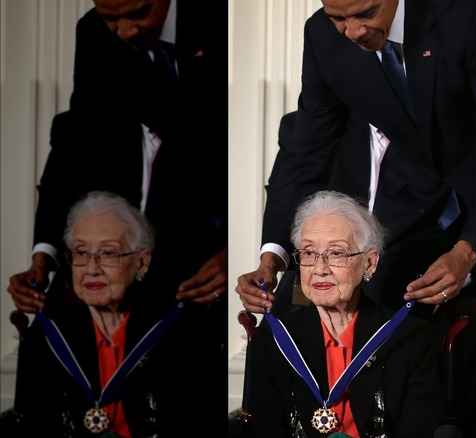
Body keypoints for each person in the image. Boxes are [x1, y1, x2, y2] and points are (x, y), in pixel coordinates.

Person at [235, 1, 476, 427]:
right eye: (338, 17)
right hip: (421, 189)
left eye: (363, 13)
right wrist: (271, 255)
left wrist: (467, 251)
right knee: (382, 293)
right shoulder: (324, 36)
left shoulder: (467, 13)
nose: (351, 31)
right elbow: (304, 151)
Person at [5, 0, 227, 433]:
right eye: (111, 18)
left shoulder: (216, 21)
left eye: (137, 13)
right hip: (118, 232)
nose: (123, 31)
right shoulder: (94, 33)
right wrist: (44, 255)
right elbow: (71, 148)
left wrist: (226, 251)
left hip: (190, 257)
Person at [248, 190, 443, 437]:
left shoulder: (410, 339)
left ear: (369, 263)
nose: (320, 269)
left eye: (336, 253)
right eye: (309, 253)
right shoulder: (274, 340)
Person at [11, 191, 201, 437]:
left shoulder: (178, 332)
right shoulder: (47, 332)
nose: (91, 269)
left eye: (108, 253)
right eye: (80, 253)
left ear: (141, 262)